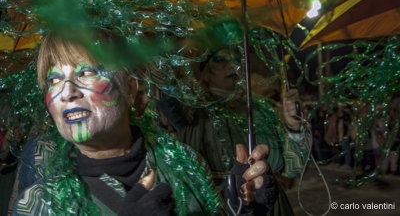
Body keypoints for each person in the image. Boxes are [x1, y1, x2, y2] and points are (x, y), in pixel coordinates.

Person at [12, 32, 278, 216]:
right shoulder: (40, 203)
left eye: (86, 72)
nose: (67, 92)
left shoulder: (185, 162)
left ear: (130, 88)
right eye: (54, 80)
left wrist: (241, 205)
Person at [159, 48, 309, 215]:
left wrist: (295, 128)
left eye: (236, 59)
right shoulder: (193, 111)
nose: (231, 65)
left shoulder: (262, 110)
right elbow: (167, 96)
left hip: (271, 207)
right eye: (220, 60)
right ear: (204, 73)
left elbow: (293, 169)